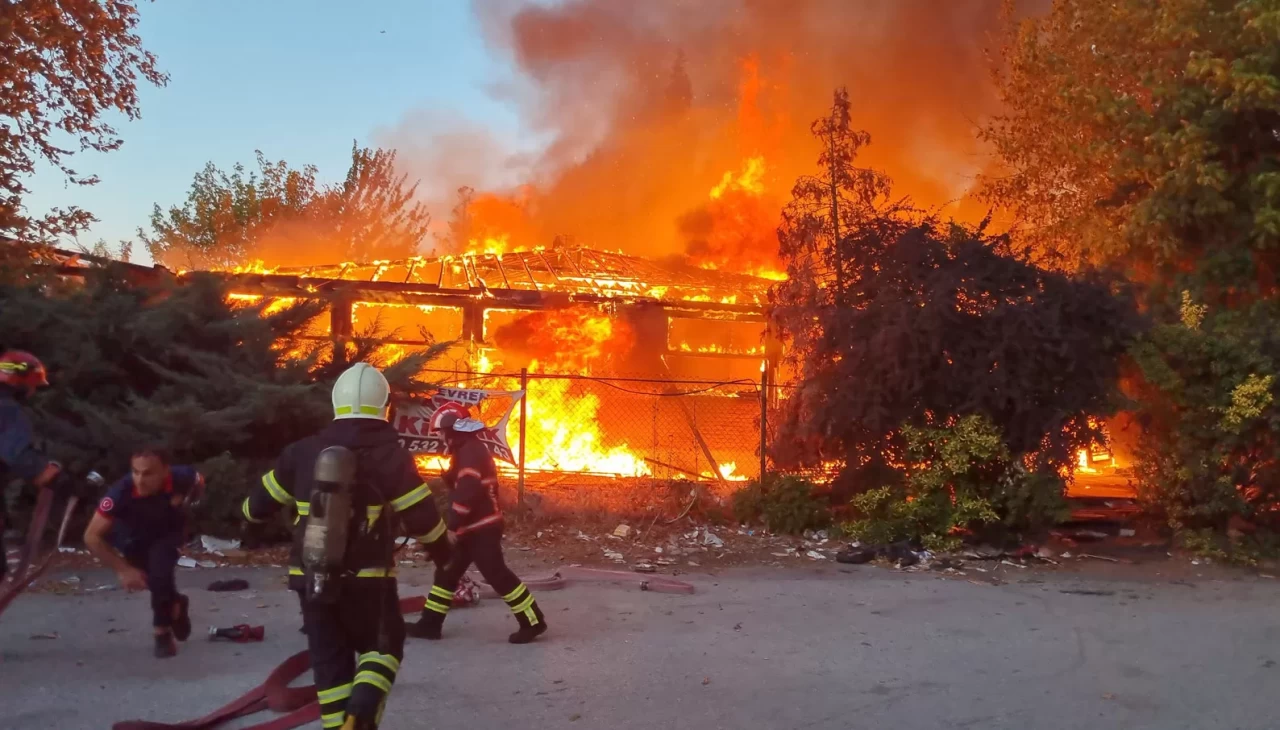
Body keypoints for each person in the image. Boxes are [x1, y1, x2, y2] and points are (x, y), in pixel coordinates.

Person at [241, 362, 451, 730]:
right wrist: (444, 554)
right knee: (383, 647)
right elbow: (423, 520)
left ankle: (339, 724)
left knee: (330, 664)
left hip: (310, 578)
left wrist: (250, 527)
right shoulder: (391, 456)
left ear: (336, 403)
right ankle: (364, 706)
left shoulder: (302, 452)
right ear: (384, 406)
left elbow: (256, 507)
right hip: (368, 581)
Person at [406, 406, 548, 644]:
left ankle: (533, 621)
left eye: (442, 432)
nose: (441, 437)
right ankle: (430, 624)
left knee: (496, 574)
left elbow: (468, 491)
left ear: (452, 430)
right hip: (471, 528)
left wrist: (452, 526)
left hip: (482, 528)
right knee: (447, 572)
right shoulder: (468, 450)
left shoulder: (470, 452)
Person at [82, 447, 203, 658]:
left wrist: (186, 500)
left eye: (147, 474)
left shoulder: (181, 476)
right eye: (135, 472)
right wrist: (123, 569)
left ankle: (161, 633)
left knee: (160, 575)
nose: (140, 480)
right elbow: (91, 536)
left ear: (165, 471)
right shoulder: (121, 493)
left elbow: (199, 481)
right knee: (151, 579)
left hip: (167, 532)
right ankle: (176, 604)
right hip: (133, 538)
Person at [0, 349, 72, 581]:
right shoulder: (7, 409)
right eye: (32, 386)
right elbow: (19, 456)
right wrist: (57, 478)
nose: (32, 392)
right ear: (20, 381)